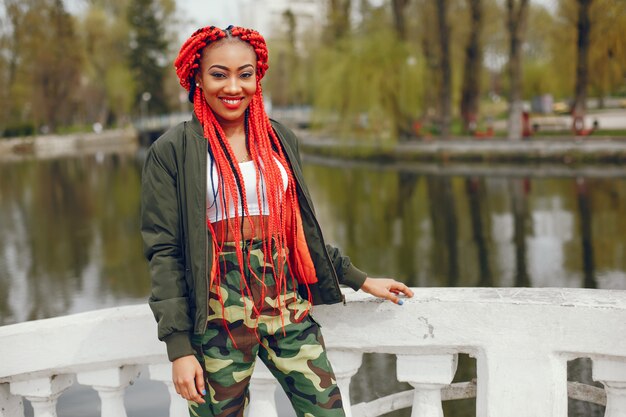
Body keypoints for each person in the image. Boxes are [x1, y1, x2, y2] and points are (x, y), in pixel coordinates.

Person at [140, 25, 414, 417]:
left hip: (287, 306)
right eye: (219, 74)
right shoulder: (173, 151)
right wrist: (179, 349)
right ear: (197, 77)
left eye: (245, 74)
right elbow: (164, 253)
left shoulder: (279, 139)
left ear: (257, 78)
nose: (233, 87)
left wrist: (361, 279)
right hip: (218, 321)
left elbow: (300, 231)